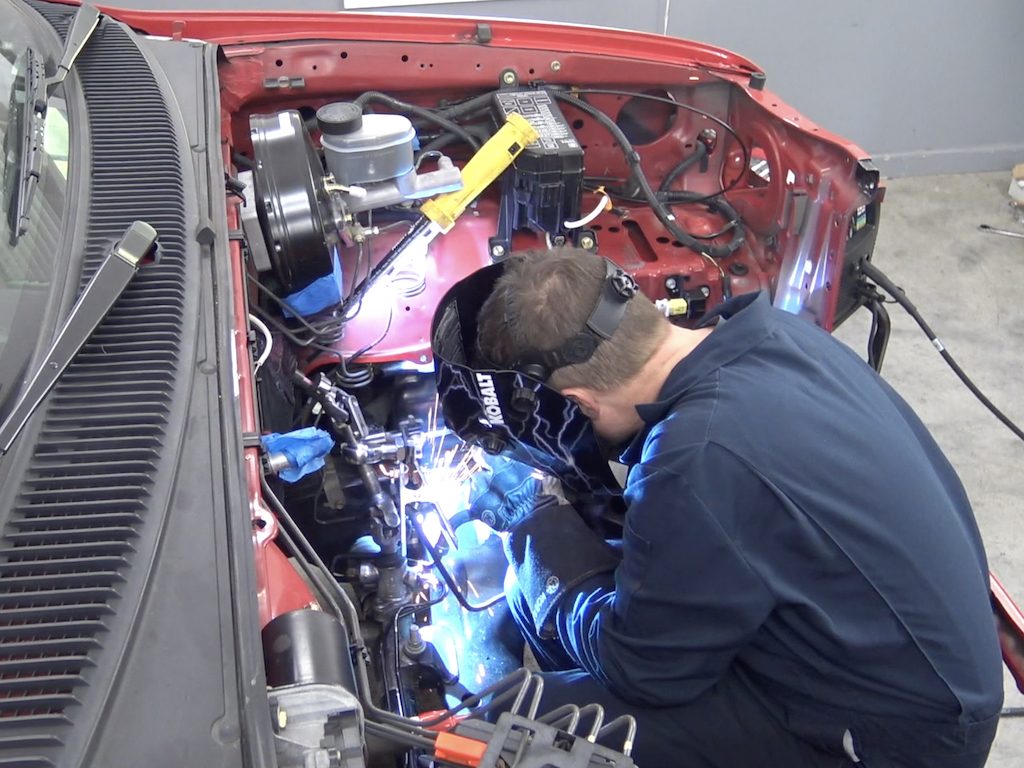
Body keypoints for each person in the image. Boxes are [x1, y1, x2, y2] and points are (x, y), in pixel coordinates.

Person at [456, 248, 1004, 768]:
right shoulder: (774, 333)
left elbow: (642, 671)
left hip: (900, 737)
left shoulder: (695, 457)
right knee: (556, 584)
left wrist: (538, 530)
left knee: (523, 719)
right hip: (899, 655)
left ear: (578, 403)